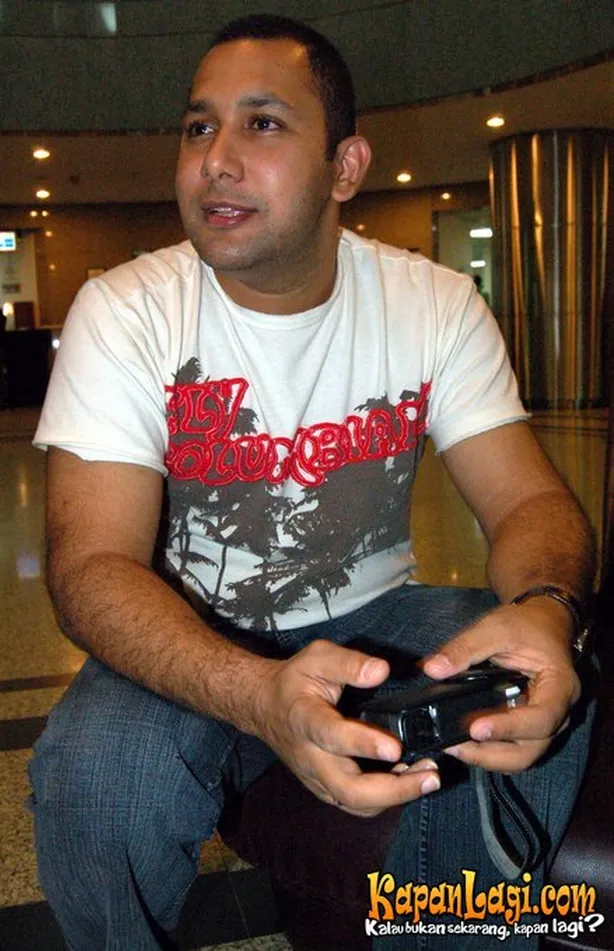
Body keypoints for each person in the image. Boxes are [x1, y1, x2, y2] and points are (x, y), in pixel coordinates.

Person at [29, 13, 596, 951]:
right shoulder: (129, 311)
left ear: (345, 167)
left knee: (525, 682)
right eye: (198, 126)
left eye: (262, 123)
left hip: (378, 615)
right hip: (188, 627)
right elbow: (90, 565)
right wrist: (256, 693)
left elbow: (528, 501)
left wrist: (544, 606)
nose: (214, 160)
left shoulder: (433, 302)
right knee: (96, 782)